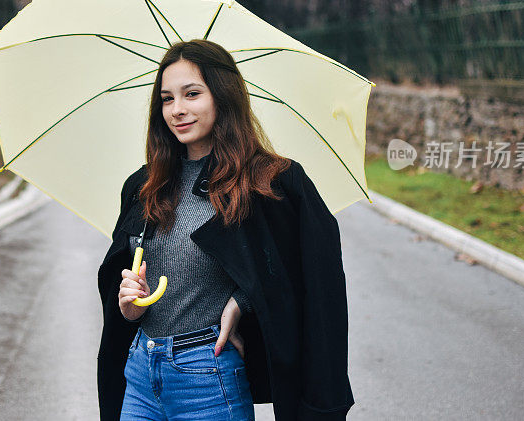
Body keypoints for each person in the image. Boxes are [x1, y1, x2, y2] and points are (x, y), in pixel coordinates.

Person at [96, 39, 354, 421]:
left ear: (223, 96)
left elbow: (309, 281)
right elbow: (127, 286)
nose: (177, 110)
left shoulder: (271, 182)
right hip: (140, 373)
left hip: (207, 376)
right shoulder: (144, 185)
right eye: (166, 99)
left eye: (192, 94)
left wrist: (243, 302)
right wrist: (129, 305)